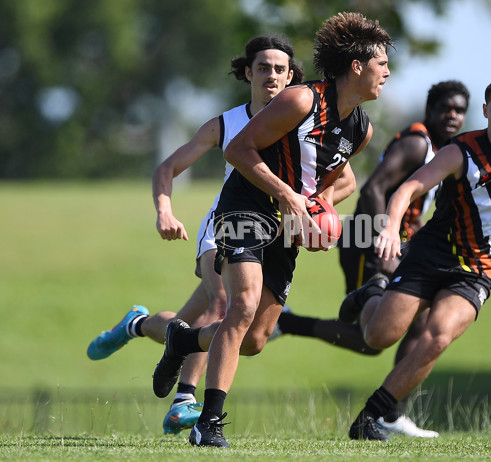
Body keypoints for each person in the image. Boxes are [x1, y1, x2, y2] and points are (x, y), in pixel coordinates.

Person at [151, 12, 393, 448]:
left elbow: (333, 182)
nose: (388, 72)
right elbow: (238, 150)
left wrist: (316, 212)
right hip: (245, 205)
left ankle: (183, 339)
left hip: (284, 225)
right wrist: (287, 195)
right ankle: (210, 423)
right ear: (356, 66)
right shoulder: (301, 101)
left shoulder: (361, 128)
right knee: (240, 306)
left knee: (255, 338)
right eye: (381, 63)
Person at [339, 77, 491, 440]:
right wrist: (391, 229)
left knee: (437, 336)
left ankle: (372, 416)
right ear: (486, 111)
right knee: (379, 336)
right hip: (428, 257)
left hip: (476, 269)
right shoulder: (460, 151)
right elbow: (409, 188)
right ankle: (372, 293)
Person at [86, 34, 305, 434]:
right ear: (247, 74)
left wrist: (316, 204)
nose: (271, 75)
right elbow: (166, 169)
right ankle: (186, 400)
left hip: (273, 235)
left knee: (208, 332)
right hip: (226, 223)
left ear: (291, 76)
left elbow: (344, 177)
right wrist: (164, 211)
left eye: (279, 69)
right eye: (262, 68)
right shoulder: (226, 123)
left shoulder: (303, 125)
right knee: (224, 302)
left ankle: (137, 325)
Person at [275, 80, 470, 438]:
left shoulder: (443, 151)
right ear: (430, 110)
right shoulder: (417, 144)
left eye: (459, 110)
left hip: (393, 241)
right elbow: (373, 188)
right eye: (446, 108)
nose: (453, 116)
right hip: (368, 239)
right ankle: (289, 324)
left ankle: (392, 413)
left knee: (417, 320)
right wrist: (384, 238)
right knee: (371, 337)